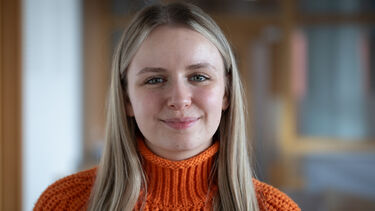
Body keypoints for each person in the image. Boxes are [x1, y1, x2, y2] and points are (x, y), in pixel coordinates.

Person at [34, 2, 300, 211]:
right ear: (126, 99)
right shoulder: (63, 204)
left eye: (198, 77)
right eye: (155, 79)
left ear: (226, 93)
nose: (179, 98)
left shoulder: (276, 209)